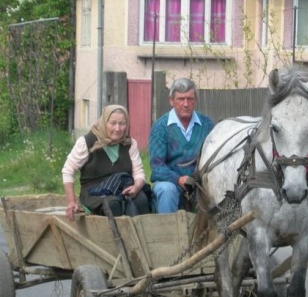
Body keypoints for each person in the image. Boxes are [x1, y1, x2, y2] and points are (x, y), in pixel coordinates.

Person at [62, 104, 150, 221]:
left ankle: (146, 238)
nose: (117, 129)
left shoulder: (129, 144)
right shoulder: (87, 142)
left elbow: (138, 171)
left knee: (141, 200)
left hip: (121, 188)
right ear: (104, 122)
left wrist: (136, 187)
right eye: (113, 123)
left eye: (122, 124)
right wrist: (71, 202)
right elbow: (68, 170)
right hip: (93, 192)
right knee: (112, 204)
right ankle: (115, 238)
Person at [148, 77, 214, 213]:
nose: (186, 104)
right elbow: (157, 167)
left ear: (195, 101)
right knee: (167, 190)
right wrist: (178, 179)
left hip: (199, 182)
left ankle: (213, 232)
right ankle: (168, 232)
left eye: (190, 99)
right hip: (170, 182)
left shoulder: (207, 124)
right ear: (171, 101)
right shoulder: (160, 128)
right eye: (181, 99)